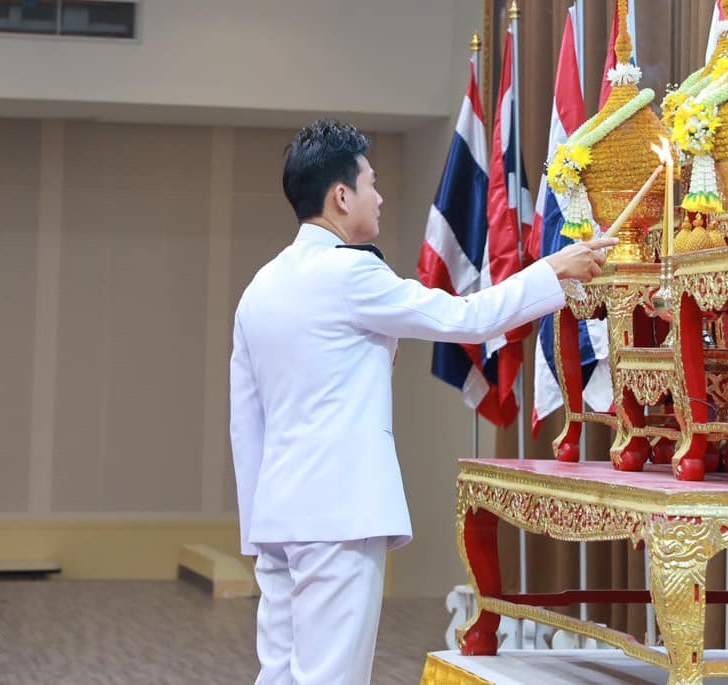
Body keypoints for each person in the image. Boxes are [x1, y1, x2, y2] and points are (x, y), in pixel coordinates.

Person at [230, 120, 612, 684]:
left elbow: (247, 425)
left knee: (280, 675)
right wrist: (551, 270)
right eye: (370, 184)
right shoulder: (351, 272)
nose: (379, 197)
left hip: (277, 517)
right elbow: (468, 319)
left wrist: (256, 525)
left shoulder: (259, 287)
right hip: (339, 516)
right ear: (340, 197)